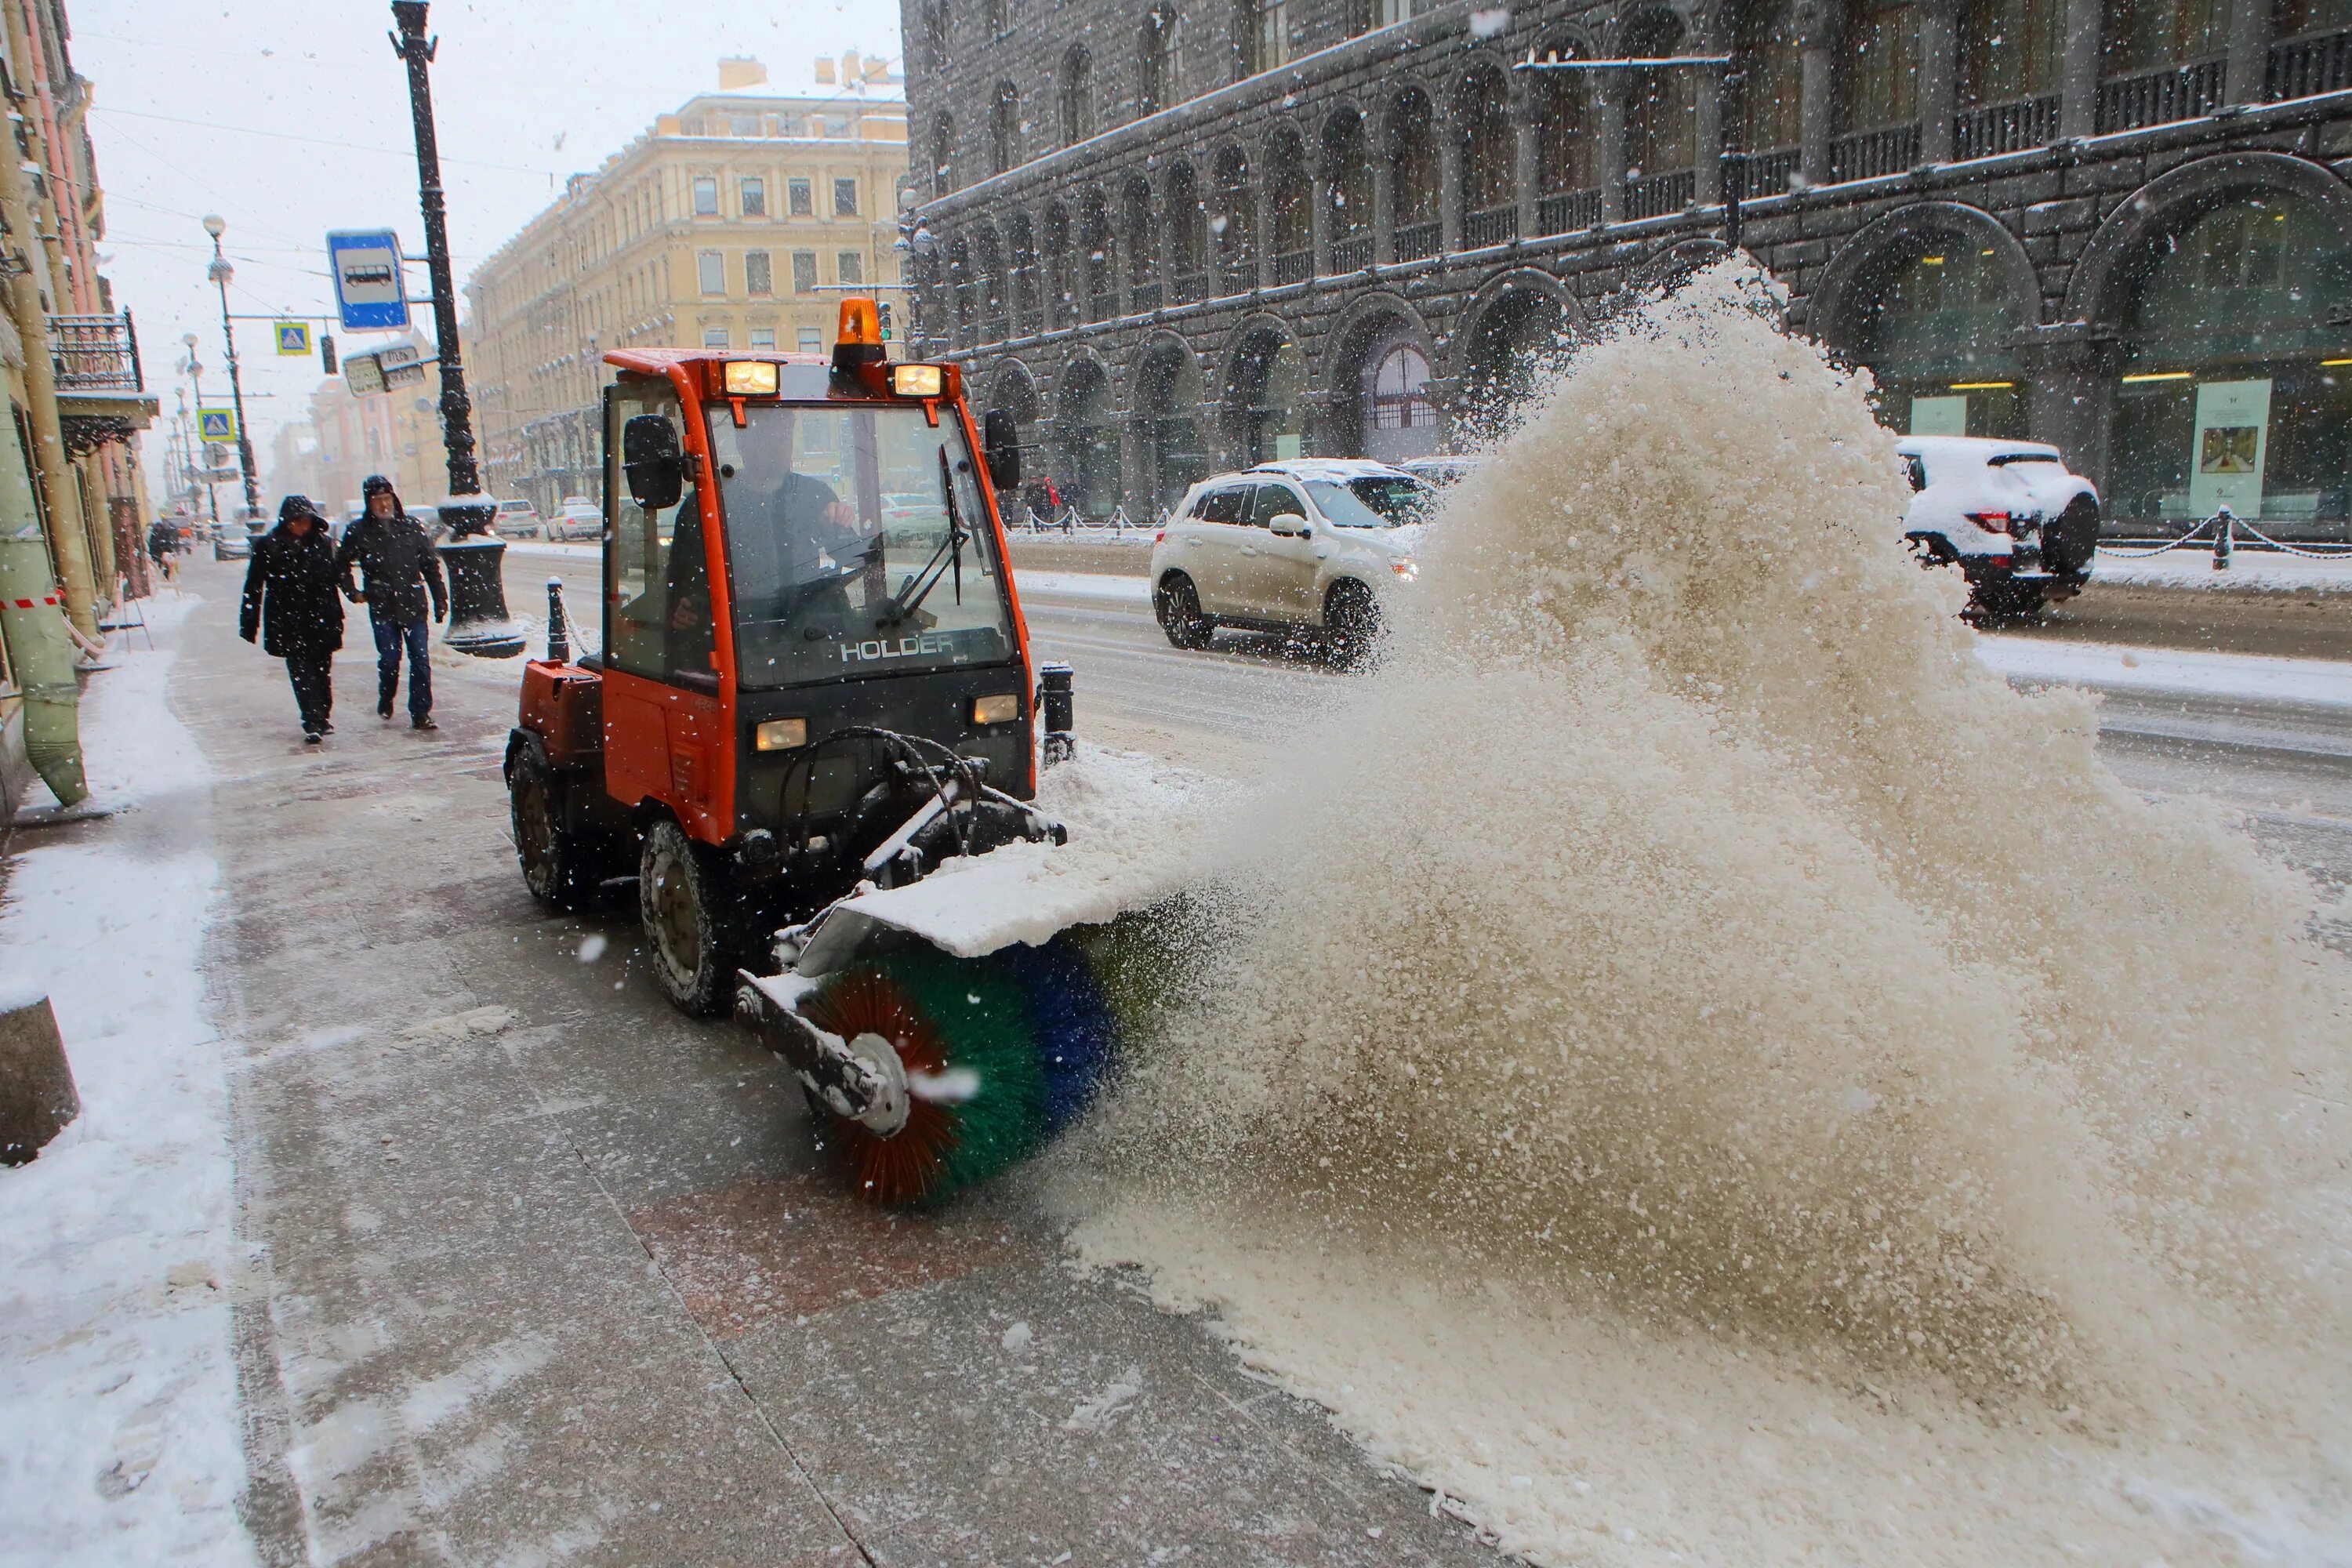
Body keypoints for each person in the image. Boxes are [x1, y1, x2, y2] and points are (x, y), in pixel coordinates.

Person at [336, 474, 447, 731]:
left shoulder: (411, 527)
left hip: (413, 603)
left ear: (394, 499)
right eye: (378, 500)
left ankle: (420, 712)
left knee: (420, 659)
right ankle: (386, 696)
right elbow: (341, 565)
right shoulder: (360, 531)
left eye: (387, 499)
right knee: (389, 658)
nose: (384, 505)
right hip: (382, 605)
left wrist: (440, 598)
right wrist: (354, 592)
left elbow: (430, 565)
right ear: (369, 503)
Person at [239, 495, 345, 744]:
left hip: (321, 617)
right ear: (286, 521)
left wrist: (343, 608)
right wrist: (249, 622)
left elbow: (335, 579)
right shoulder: (269, 546)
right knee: (300, 671)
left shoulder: (323, 544)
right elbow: (254, 585)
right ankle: (311, 719)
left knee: (322, 671)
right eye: (297, 521)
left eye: (306, 520)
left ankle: (322, 714)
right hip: (289, 620)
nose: (302, 525)